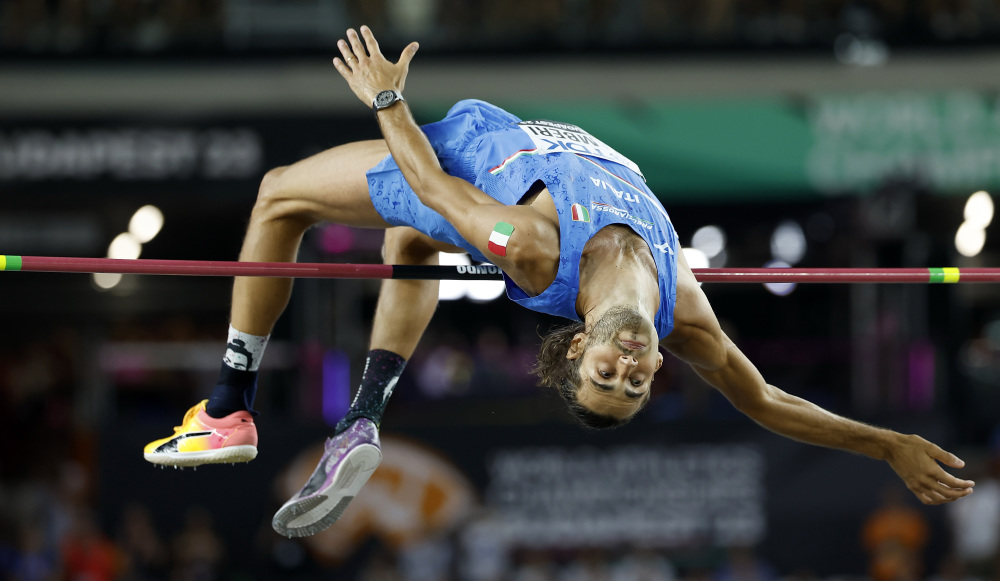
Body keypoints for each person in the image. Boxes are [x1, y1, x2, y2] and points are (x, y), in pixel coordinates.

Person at [143, 26, 975, 538]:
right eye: (634, 384)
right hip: (504, 142)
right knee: (414, 239)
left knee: (282, 195)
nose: (628, 366)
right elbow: (764, 401)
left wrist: (387, 97)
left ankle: (225, 409)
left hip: (458, 161)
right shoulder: (679, 306)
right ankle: (362, 414)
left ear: (577, 346)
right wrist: (887, 441)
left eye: (601, 375)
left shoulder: (534, 251)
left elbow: (437, 190)